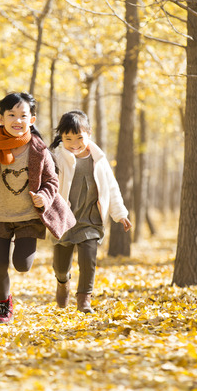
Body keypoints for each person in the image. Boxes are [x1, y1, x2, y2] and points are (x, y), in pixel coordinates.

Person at [0, 92, 75, 324]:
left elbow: (52, 181)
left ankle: (55, 275)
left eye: (23, 115)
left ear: (32, 120)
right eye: (12, 115)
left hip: (29, 217)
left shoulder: (39, 151)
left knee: (22, 265)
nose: (17, 120)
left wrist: (44, 197)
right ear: (0, 118)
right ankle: (3, 306)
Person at [49, 110, 132, 313]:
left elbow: (111, 187)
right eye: (68, 138)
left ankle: (84, 299)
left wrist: (120, 214)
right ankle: (62, 282)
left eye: (79, 138)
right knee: (61, 265)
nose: (74, 143)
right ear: (61, 137)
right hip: (64, 221)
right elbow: (48, 185)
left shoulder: (99, 159)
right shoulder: (56, 157)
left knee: (88, 258)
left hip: (90, 220)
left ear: (89, 134)